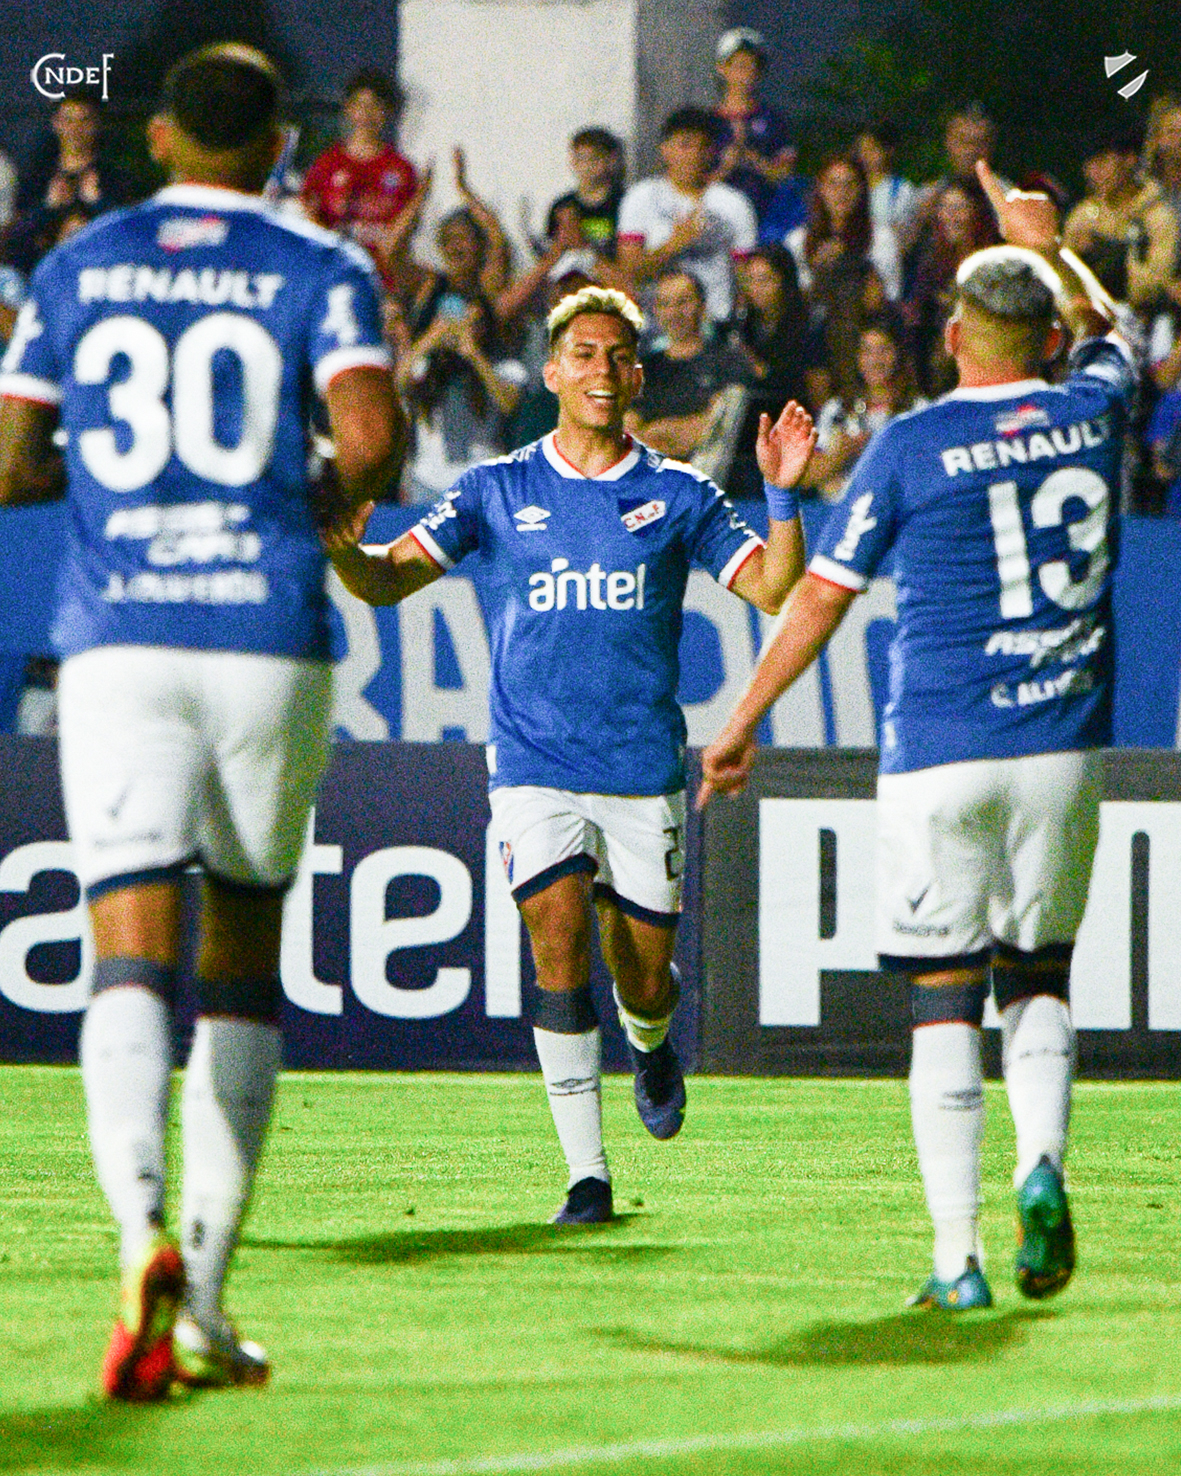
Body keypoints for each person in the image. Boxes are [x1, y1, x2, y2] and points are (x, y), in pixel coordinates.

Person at [0, 42, 404, 1397]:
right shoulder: (320, 266)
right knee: (239, 965)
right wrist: (295, 497)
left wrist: (118, 485)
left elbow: (10, 458)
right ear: (281, 147)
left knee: (126, 958)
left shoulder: (79, 264)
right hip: (262, 635)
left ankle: (138, 1237)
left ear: (161, 137)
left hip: (119, 637)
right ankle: (210, 1307)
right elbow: (369, 444)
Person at [699, 163, 1135, 1311]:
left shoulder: (907, 445)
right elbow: (1114, 331)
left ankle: (956, 1262)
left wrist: (738, 723)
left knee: (942, 998)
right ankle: (1042, 1167)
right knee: (1036, 976)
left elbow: (818, 599)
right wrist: (1046, 243)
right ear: (1046, 339)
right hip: (1062, 745)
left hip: (940, 748)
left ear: (949, 338)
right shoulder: (1090, 410)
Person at [324, 284, 813, 1225]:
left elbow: (772, 587)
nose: (601, 370)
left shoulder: (678, 493)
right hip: (531, 762)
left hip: (639, 770)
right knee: (556, 943)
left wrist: (784, 492)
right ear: (550, 372)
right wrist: (347, 551)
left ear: (637, 377)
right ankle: (587, 1178)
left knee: (642, 979)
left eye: (617, 356)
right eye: (582, 353)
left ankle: (652, 1042)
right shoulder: (495, 490)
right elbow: (385, 583)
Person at [616, 107, 757, 325]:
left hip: (716, 320)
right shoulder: (641, 197)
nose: (694, 155)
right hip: (656, 325)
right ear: (665, 149)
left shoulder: (734, 202)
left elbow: (745, 275)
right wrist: (673, 245)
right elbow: (630, 273)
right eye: (685, 145)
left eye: (703, 147)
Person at [299, 68, 420, 290]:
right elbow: (309, 218)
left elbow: (404, 235)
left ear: (387, 112)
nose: (366, 114)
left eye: (375, 106)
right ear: (348, 109)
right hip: (334, 280)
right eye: (360, 105)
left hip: (381, 283)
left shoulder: (401, 169)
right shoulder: (327, 164)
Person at [624, 268, 750, 475]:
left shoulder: (727, 362)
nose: (673, 312)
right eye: (665, 304)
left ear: (702, 306)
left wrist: (657, 431)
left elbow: (713, 433)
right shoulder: (643, 368)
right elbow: (627, 434)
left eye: (683, 302)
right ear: (656, 311)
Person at [801, 316, 925, 502]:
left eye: (883, 350)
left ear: (898, 355)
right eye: (867, 351)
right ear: (857, 358)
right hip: (838, 512)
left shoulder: (918, 410)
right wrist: (840, 455)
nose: (875, 360)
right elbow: (807, 477)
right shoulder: (836, 410)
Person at [1063, 120, 1178, 315]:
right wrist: (1079, 259)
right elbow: (1063, 279)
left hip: (1143, 318)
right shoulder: (1083, 214)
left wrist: (1115, 260)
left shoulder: (1158, 216)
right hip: (1091, 315)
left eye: (1102, 162)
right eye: (1089, 164)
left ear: (1129, 159)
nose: (1093, 173)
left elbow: (1156, 286)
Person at [711, 28, 798, 225]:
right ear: (722, 68)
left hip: (766, 221)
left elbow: (785, 174)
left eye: (754, 66)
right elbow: (692, 184)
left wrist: (752, 158)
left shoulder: (774, 120)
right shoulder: (708, 122)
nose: (747, 74)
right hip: (719, 223)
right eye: (740, 66)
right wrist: (726, 167)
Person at [544, 128, 626, 262]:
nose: (587, 166)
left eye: (594, 158)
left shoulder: (625, 203)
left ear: (611, 160)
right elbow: (552, 251)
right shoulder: (562, 205)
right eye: (580, 158)